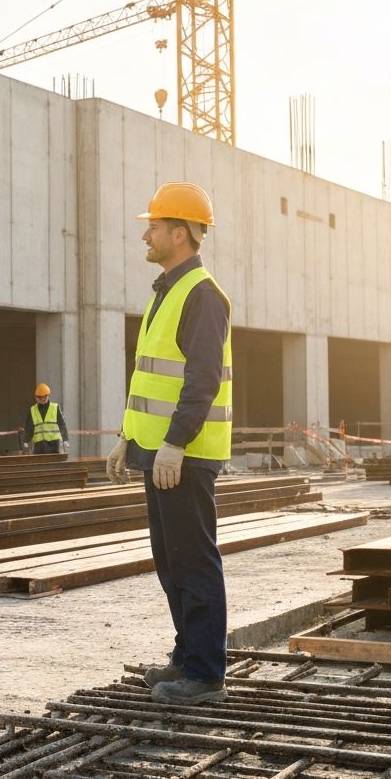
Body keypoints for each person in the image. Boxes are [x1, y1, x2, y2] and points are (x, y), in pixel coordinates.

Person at [106, 182, 232, 705]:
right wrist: (126, 439)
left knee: (194, 559)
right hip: (156, 451)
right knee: (171, 559)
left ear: (178, 233)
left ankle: (204, 675)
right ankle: (186, 658)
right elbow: (151, 378)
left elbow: (201, 380)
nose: (145, 234)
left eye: (153, 226)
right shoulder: (168, 289)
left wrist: (176, 443)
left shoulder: (202, 295)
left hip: (184, 455)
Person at [23, 383, 69, 454]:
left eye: (45, 396)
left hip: (54, 444)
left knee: (54, 464)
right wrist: (26, 441)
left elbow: (62, 425)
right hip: (39, 445)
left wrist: (65, 440)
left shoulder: (55, 407)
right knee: (41, 464)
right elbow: (29, 427)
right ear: (36, 398)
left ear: (49, 396)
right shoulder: (32, 410)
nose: (43, 399)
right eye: (40, 397)